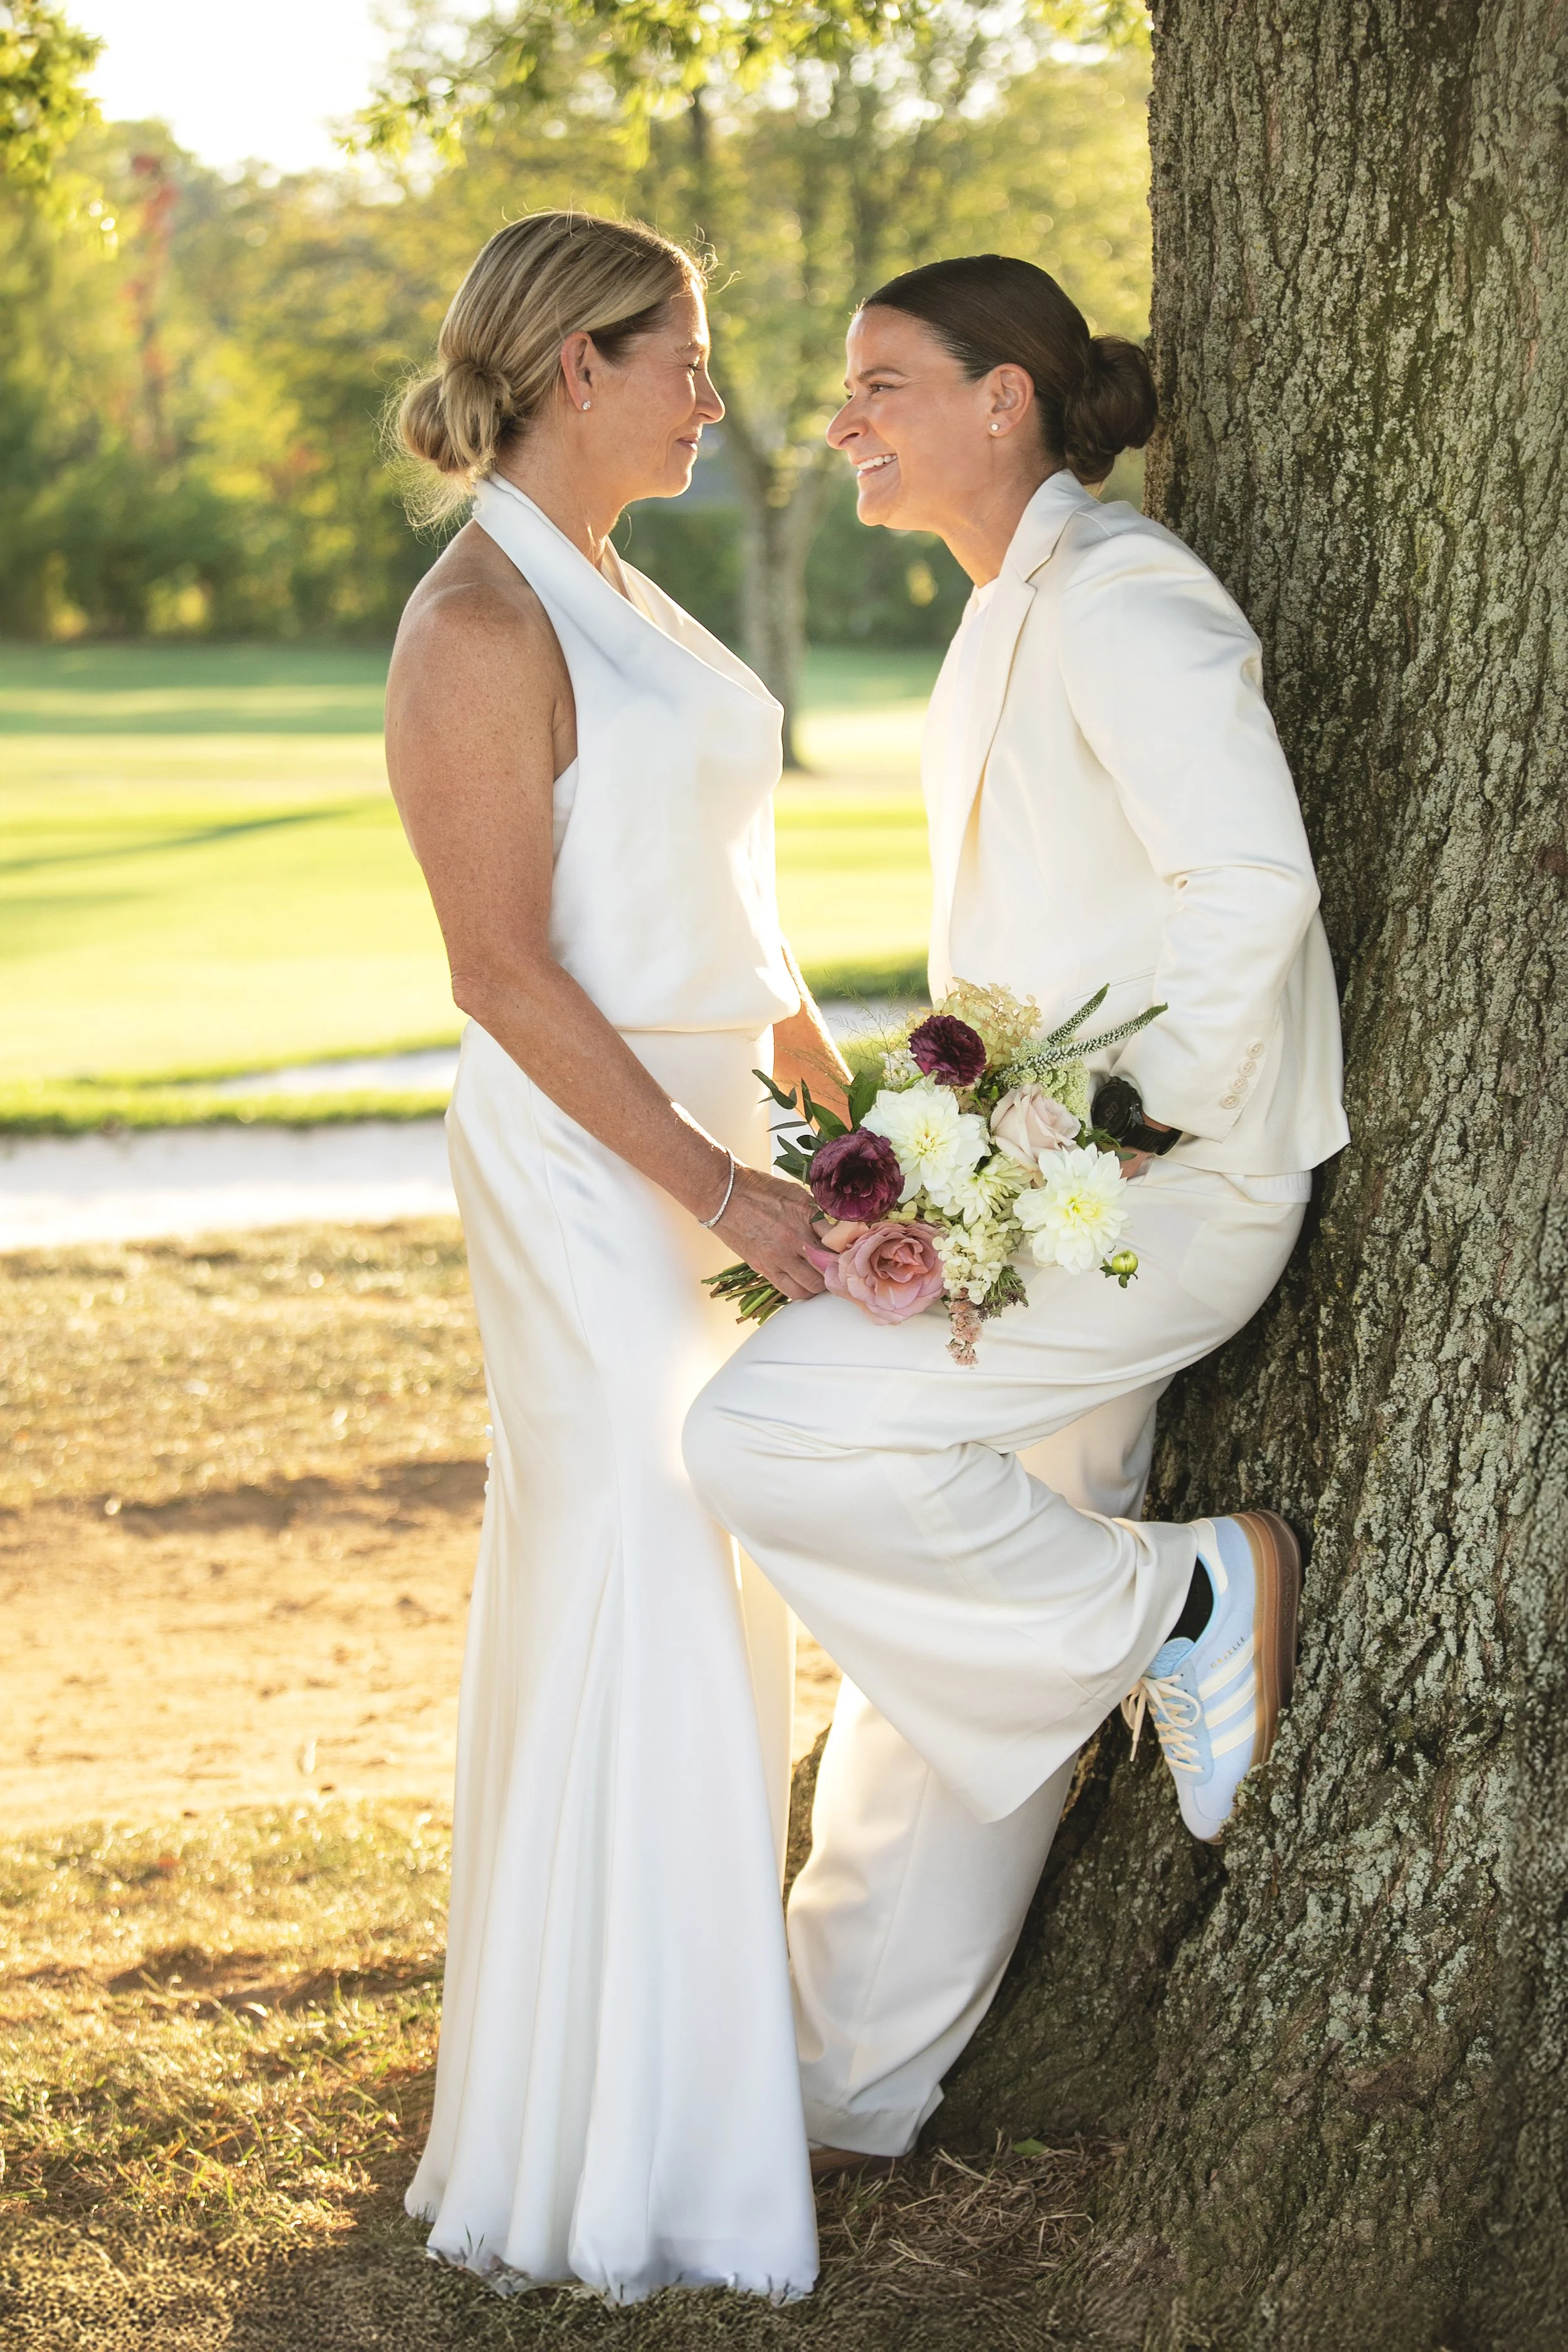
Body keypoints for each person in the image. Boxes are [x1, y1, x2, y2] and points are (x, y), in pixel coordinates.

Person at [683, 254, 1349, 2173]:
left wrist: (1131, 1130)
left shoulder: (1125, 592)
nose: (844, 420)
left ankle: (1182, 1597)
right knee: (953, 1640)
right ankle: (841, 2089)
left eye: (884, 382)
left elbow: (1250, 887)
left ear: (1006, 401)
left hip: (1166, 1190)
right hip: (1050, 1188)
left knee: (767, 1426)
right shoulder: (1005, 613)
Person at [384, 209, 845, 2298]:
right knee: (636, 1580)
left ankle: (693, 2077)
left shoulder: (632, 592)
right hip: (595, 1164)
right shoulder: (478, 625)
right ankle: (615, 2152)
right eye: (686, 350)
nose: (712, 389)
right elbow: (502, 969)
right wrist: (719, 1183)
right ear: (579, 360)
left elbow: (718, 907)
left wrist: (837, 1119)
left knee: (716, 1585)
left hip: (719, 1128)